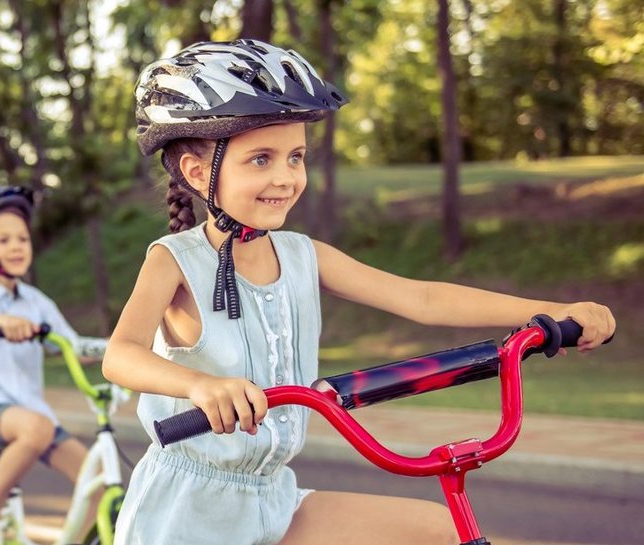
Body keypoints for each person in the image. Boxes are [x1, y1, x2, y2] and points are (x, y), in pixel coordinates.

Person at [103, 40, 616, 545]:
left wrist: (550, 312)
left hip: (271, 501)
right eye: (261, 159)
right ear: (197, 173)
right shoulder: (175, 259)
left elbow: (422, 300)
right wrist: (198, 385)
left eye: (296, 157)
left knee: (439, 531)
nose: (285, 176)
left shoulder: (304, 255)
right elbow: (121, 356)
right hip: (187, 513)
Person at [0, 186, 105, 545]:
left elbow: (75, 347)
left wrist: (122, 347)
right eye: (5, 239)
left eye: (22, 239)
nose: (18, 246)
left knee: (97, 480)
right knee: (37, 429)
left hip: (30, 411)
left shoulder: (36, 302)